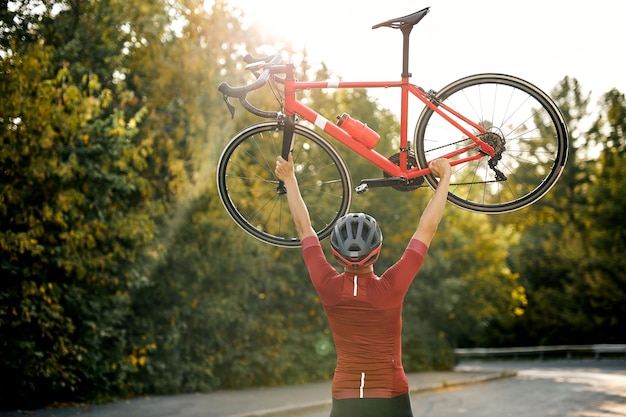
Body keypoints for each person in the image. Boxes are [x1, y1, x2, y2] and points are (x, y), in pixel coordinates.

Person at [274, 154, 452, 417]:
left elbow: (304, 229)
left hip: (345, 396)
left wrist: (289, 178)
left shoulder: (328, 286)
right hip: (390, 393)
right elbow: (427, 229)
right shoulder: (390, 289)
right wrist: (445, 177)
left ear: (335, 253)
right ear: (377, 250)